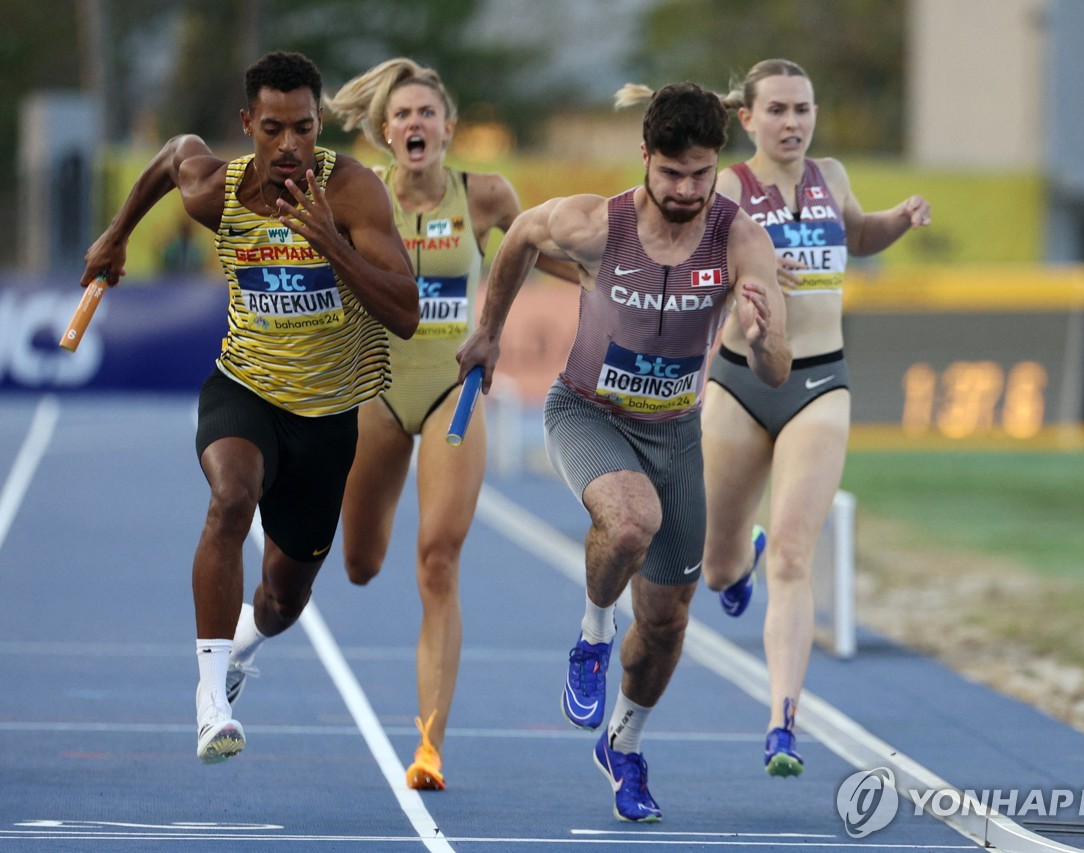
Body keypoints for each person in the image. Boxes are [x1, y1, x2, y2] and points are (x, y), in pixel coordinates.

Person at [455, 81, 790, 822]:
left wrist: (766, 339)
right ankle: (591, 636)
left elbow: (776, 369)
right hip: (587, 412)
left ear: (716, 165)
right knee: (629, 521)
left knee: (669, 622)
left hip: (676, 432)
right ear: (645, 157)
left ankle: (625, 745)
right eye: (671, 173)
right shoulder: (592, 224)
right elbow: (518, 238)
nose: (685, 189)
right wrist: (489, 330)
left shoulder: (739, 239)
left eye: (701, 174)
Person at [80, 50, 420, 765]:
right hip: (245, 388)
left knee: (281, 601)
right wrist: (118, 233)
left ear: (318, 122)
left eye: (303, 127)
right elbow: (175, 155)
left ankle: (244, 641)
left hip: (327, 418)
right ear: (248, 125)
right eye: (273, 129)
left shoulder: (354, 194)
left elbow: (406, 313)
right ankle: (210, 701)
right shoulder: (220, 190)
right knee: (230, 498)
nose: (290, 145)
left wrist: (333, 243)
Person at [319, 58, 577, 790]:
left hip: (451, 393)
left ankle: (429, 744)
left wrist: (617, 277)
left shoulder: (485, 196)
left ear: (449, 127)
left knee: (437, 558)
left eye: (426, 113)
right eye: (400, 115)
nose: (414, 125)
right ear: (383, 131)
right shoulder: (355, 195)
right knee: (361, 563)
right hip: (373, 388)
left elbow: (540, 256)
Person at [701, 58, 931, 776]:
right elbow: (699, 272)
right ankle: (743, 557)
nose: (792, 123)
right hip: (740, 384)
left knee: (798, 557)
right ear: (747, 118)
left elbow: (857, 235)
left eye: (803, 109)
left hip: (821, 381)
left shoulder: (831, 176)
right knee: (716, 569)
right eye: (777, 110)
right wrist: (752, 275)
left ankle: (782, 723)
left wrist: (898, 220)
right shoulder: (725, 190)